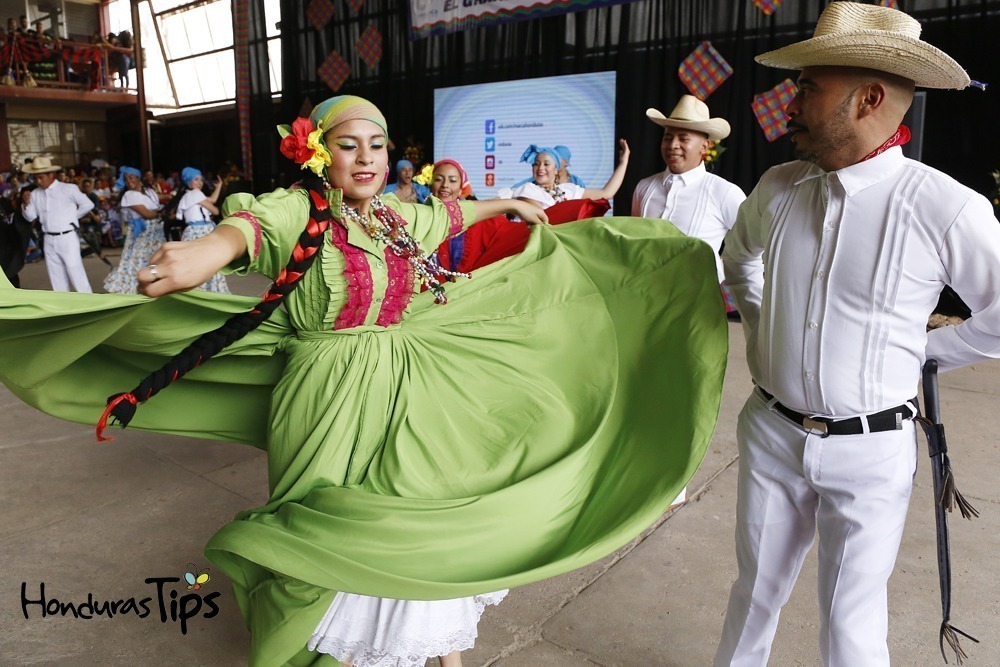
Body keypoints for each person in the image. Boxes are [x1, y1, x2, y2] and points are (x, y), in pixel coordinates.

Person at [0, 95, 728, 667]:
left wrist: (506, 205)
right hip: (323, 393)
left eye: (377, 144)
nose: (367, 157)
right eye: (348, 144)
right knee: (314, 533)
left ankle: (434, 647)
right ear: (320, 152)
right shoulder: (301, 208)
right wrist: (198, 257)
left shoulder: (393, 214)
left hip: (407, 383)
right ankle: (311, 648)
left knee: (414, 514)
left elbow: (448, 214)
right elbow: (246, 232)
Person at [714, 4, 1000, 666]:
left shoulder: (942, 206)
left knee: (850, 625)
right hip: (772, 434)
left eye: (811, 85)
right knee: (753, 593)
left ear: (869, 97)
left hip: (872, 452)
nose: (795, 98)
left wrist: (925, 353)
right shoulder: (778, 188)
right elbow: (738, 261)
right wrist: (762, 333)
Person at [632, 95, 745, 316]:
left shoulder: (724, 192)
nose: (673, 145)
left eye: (683, 138)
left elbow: (752, 248)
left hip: (697, 305)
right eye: (667, 137)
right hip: (644, 299)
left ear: (704, 146)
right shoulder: (644, 188)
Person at [20, 156, 94, 292]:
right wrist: (25, 204)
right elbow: (30, 217)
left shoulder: (68, 189)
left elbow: (88, 204)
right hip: (48, 238)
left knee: (76, 273)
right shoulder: (35, 194)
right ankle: (64, 308)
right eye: (35, 177)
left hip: (67, 236)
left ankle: (89, 305)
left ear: (51, 175)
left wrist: (72, 218)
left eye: (41, 177)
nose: (38, 181)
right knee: (56, 277)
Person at [511, 142, 629, 209]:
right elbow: (542, 221)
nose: (540, 168)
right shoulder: (527, 190)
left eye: (546, 164)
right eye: (536, 164)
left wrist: (623, 162)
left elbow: (606, 193)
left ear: (556, 169)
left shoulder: (567, 189)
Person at [103, 166, 165, 294]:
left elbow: (156, 205)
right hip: (142, 230)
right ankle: (135, 285)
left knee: (154, 257)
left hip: (155, 230)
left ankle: (153, 282)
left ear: (138, 178)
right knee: (138, 257)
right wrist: (159, 213)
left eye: (131, 178)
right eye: (126, 179)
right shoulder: (129, 195)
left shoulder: (148, 191)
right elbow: (147, 214)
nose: (129, 181)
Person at [172, 166, 229, 293]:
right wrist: (213, 208)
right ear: (189, 182)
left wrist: (218, 186)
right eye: (196, 179)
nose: (200, 182)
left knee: (194, 262)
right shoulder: (195, 194)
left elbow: (211, 200)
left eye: (201, 180)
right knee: (209, 262)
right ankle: (210, 289)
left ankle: (196, 289)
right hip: (200, 230)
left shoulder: (190, 195)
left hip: (192, 230)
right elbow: (215, 209)